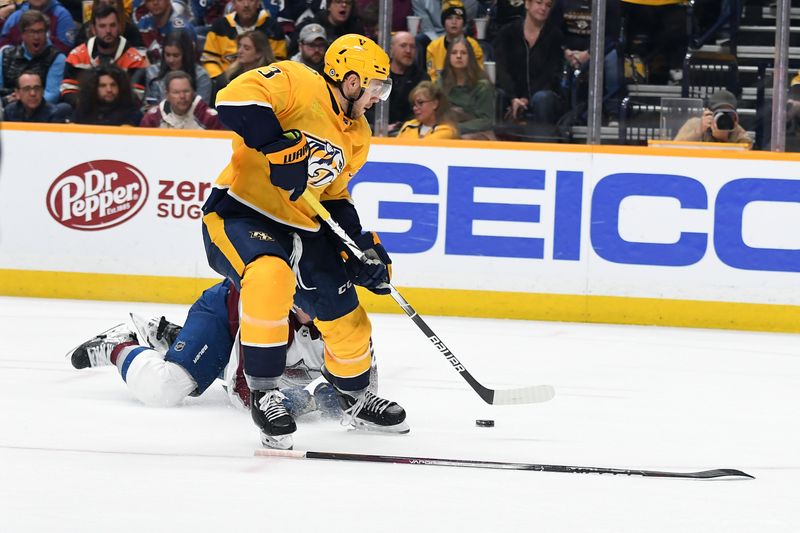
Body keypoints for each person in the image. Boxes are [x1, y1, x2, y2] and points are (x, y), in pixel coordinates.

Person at [203, 33, 407, 450]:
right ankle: (265, 392)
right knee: (269, 276)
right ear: (351, 81)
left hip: (304, 226)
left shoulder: (358, 133)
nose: (377, 98)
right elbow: (232, 98)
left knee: (342, 309)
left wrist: (362, 248)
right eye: (374, 87)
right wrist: (279, 148)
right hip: (241, 212)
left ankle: (354, 397)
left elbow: (333, 195)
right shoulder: (298, 81)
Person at [66, 279, 350, 418]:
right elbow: (241, 390)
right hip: (221, 316)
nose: (312, 303)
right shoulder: (268, 314)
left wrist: (341, 400)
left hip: (248, 340)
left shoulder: (349, 323)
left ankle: (173, 337)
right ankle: (119, 345)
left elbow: (365, 389)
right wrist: (308, 401)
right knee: (166, 388)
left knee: (281, 373)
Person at [61, 3, 149, 106]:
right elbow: (68, 92)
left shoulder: (135, 60)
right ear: (93, 29)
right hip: (85, 112)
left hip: (120, 115)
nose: (108, 31)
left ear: (119, 27)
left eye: (112, 25)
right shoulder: (77, 56)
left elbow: (136, 98)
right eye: (102, 26)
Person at [493, 0, 564, 126]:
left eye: (548, 5)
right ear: (527, 4)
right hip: (511, 94)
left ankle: (544, 143)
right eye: (539, 3)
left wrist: (526, 99)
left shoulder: (555, 36)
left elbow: (550, 76)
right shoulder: (507, 33)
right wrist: (513, 98)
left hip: (542, 93)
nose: (543, 8)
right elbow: (502, 70)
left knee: (542, 98)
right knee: (496, 95)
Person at [200, 0, 287, 80]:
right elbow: (209, 59)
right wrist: (220, 79)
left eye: (251, 0)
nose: (246, 5)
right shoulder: (219, 26)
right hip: (225, 81)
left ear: (258, 3)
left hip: (262, 81)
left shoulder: (273, 28)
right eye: (241, 0)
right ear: (233, 4)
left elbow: (278, 62)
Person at [0, 10, 65, 104]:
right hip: (6, 108)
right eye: (31, 32)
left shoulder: (57, 58)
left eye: (40, 31)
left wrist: (22, 100)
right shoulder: (5, 54)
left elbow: (52, 95)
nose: (36, 37)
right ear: (22, 34)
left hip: (41, 113)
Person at [438, 35, 493, 139]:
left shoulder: (482, 85)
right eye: (454, 53)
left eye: (463, 53)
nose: (458, 56)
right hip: (445, 129)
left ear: (470, 57)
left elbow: (486, 121)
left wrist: (455, 128)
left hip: (477, 133)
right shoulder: (441, 82)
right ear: (448, 56)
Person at [144, 28, 211, 106]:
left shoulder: (201, 76)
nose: (171, 60)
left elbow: (202, 111)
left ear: (186, 55)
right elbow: (148, 104)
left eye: (176, 55)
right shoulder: (153, 71)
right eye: (167, 55)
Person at [140, 69, 224, 128]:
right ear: (167, 95)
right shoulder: (152, 119)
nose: (182, 96)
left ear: (193, 92)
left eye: (186, 91)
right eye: (176, 92)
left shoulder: (210, 118)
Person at [425, 0, 483, 82]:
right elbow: (432, 77)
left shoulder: (474, 46)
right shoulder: (433, 47)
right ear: (443, 22)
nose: (454, 22)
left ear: (463, 23)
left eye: (458, 18)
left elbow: (479, 75)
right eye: (449, 18)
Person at [673, 89, 752, 148]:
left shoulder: (738, 132)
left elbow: (741, 160)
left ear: (734, 117)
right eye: (719, 113)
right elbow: (675, 148)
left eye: (728, 113)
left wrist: (723, 140)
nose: (723, 118)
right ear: (708, 112)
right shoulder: (695, 124)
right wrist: (698, 131)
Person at [210, 29, 273, 99]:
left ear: (259, 53)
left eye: (246, 48)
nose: (239, 51)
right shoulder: (226, 77)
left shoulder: (270, 78)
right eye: (239, 46)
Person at [71, 63, 143, 124]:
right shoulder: (83, 112)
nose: (109, 90)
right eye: (103, 86)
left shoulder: (132, 113)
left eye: (113, 85)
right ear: (93, 88)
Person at [290, 0, 364, 58]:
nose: (344, 5)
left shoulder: (356, 31)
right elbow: (292, 52)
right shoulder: (311, 25)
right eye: (338, 2)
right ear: (329, 6)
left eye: (348, 3)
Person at [388, 30, 428, 133]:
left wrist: (401, 125)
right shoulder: (377, 74)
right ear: (391, 48)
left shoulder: (422, 78)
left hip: (410, 132)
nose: (408, 50)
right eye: (403, 46)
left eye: (412, 47)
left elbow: (425, 111)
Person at [0, 0, 77, 54]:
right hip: (16, 67)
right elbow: (3, 46)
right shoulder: (16, 17)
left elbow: (66, 50)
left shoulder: (61, 15)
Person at [1, 69, 71, 121]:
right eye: (27, 89)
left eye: (37, 88)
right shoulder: (10, 111)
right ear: (17, 93)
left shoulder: (54, 113)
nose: (33, 93)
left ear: (42, 92)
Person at [74, 0, 144, 49]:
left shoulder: (131, 30)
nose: (107, 7)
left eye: (112, 3)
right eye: (102, 3)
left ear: (119, 5)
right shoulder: (86, 28)